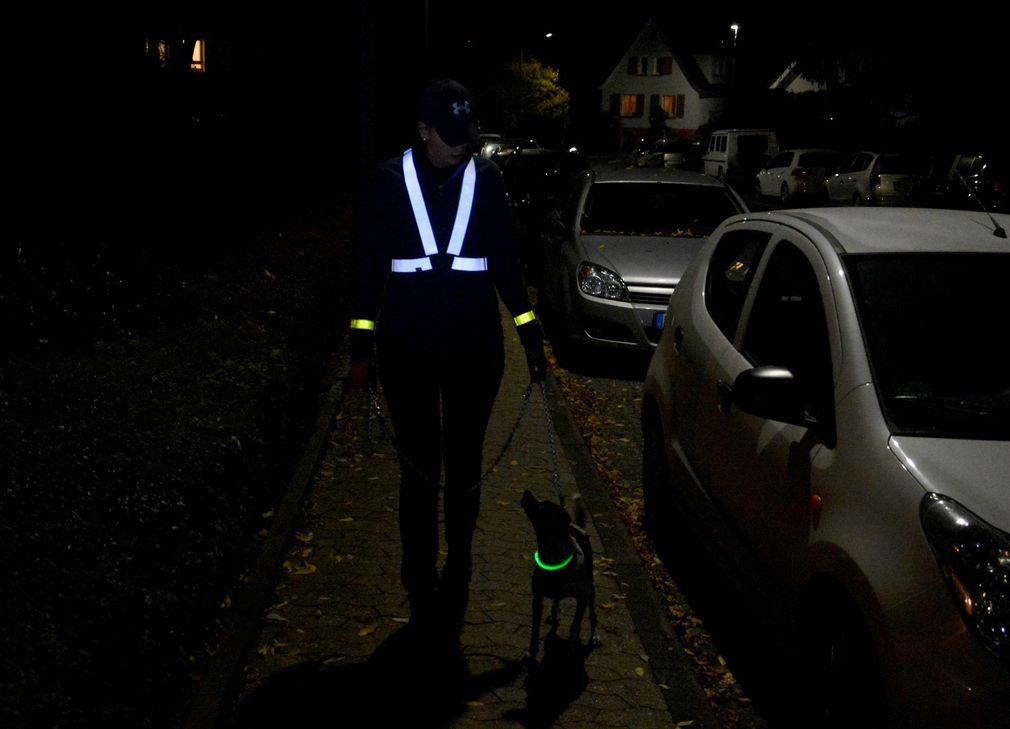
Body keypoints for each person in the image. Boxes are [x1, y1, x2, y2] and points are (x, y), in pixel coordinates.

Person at [348, 78, 548, 642]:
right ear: (422, 130)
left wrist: (529, 334)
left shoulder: (487, 178)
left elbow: (506, 259)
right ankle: (418, 578)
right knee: (418, 467)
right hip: (407, 348)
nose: (460, 147)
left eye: (467, 136)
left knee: (464, 462)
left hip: (474, 349)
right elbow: (367, 270)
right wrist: (360, 347)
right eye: (450, 137)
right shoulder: (389, 180)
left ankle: (458, 565)